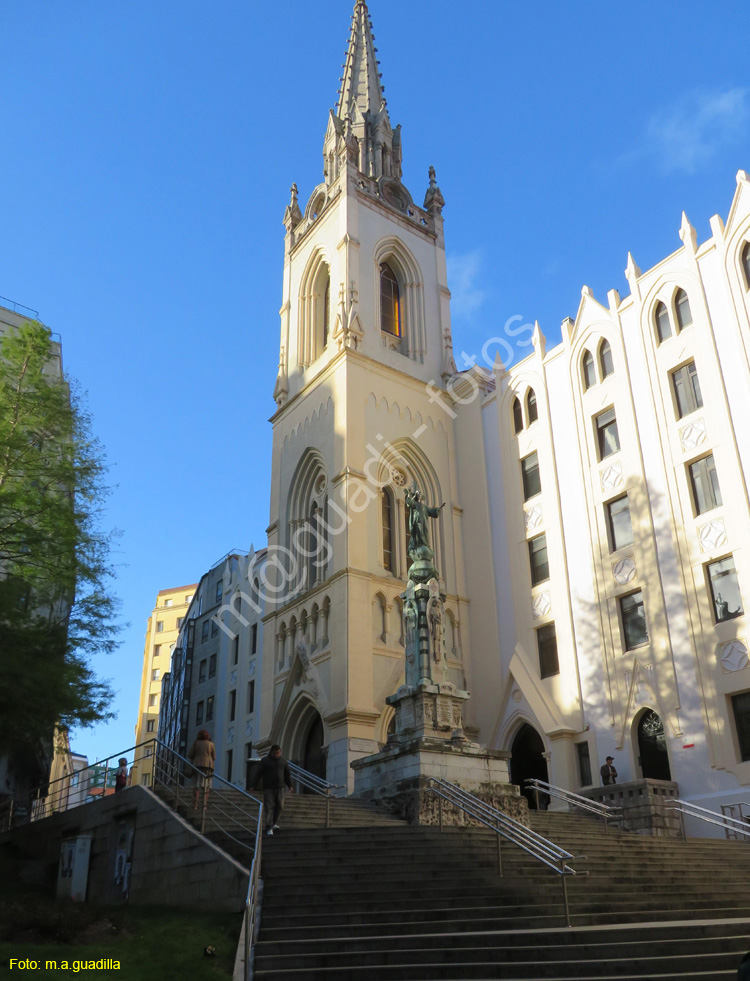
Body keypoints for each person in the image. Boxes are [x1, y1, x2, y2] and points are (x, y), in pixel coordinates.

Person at [251, 745, 294, 835]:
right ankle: (269, 826)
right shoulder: (265, 761)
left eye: (278, 753)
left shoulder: (283, 761)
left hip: (280, 787)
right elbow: (258, 774)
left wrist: (290, 785)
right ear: (271, 752)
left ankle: (273, 823)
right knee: (269, 806)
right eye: (275, 753)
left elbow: (287, 774)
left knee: (280, 806)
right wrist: (253, 785)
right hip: (268, 787)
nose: (276, 755)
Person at [188, 729, 216, 811]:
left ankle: (195, 805)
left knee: (197, 786)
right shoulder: (211, 744)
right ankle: (204, 806)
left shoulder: (196, 743)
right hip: (208, 766)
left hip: (197, 765)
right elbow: (214, 757)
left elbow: (190, 754)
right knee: (206, 787)